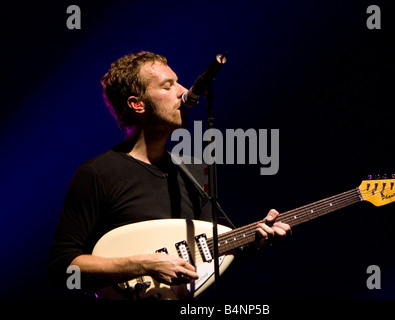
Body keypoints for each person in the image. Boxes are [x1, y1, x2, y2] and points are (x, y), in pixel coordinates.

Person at [48, 51, 291, 296]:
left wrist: (256, 240)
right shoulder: (97, 174)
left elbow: (211, 257)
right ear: (137, 104)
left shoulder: (195, 171)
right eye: (168, 86)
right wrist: (145, 264)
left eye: (178, 82)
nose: (183, 91)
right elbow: (63, 269)